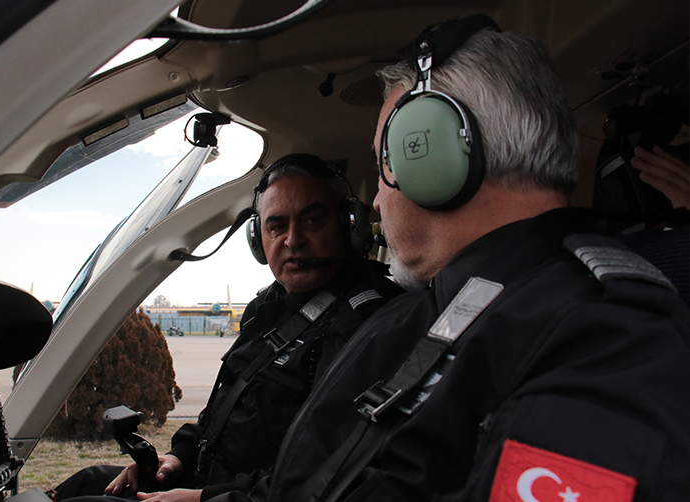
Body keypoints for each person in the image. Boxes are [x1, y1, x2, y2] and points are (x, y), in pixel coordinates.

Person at [207, 15, 690, 502]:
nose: (376, 201)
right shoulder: (451, 306)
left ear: (435, 160)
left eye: (384, 167)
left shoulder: (607, 345)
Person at [51, 153, 402, 502]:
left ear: (350, 226)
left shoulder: (368, 324)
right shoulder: (267, 309)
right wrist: (175, 460)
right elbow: (227, 413)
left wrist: (199, 499)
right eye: (277, 226)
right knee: (89, 481)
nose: (293, 240)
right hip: (208, 484)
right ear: (258, 240)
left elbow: (326, 477)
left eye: (312, 221)